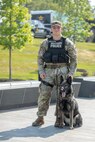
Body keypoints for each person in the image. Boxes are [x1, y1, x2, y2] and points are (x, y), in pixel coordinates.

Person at [32, 21, 77, 127]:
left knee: (61, 97)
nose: (56, 29)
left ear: (61, 29)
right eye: (54, 27)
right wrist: (41, 71)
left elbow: (74, 59)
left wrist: (71, 73)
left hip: (63, 72)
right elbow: (40, 58)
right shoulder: (45, 43)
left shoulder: (67, 43)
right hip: (48, 72)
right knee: (44, 94)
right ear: (51, 29)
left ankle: (59, 118)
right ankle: (40, 117)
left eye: (58, 27)